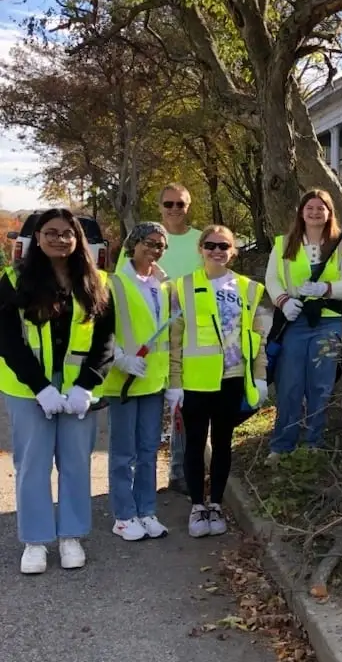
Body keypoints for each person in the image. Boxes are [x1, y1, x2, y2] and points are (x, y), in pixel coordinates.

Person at [0, 208, 114, 574]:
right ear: (37, 238)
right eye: (51, 232)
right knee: (32, 465)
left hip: (77, 393)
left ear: (78, 239)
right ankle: (35, 542)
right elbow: (8, 340)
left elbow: (105, 341)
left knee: (76, 463)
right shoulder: (13, 280)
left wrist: (86, 385)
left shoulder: (97, 282)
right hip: (28, 389)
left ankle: (71, 536)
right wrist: (40, 387)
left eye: (67, 233)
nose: (59, 239)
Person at [168, 225, 268, 537]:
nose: (217, 251)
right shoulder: (181, 287)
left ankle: (216, 504)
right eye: (210, 245)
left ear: (233, 250)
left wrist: (261, 376)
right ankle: (198, 506)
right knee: (195, 444)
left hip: (233, 378)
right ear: (200, 249)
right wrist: (174, 382)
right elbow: (174, 339)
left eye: (223, 245)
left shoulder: (250, 289)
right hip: (196, 381)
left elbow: (258, 337)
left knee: (223, 444)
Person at [118, 183, 203, 496]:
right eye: (169, 204)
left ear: (188, 206)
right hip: (147, 342)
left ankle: (178, 472)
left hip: (189, 335)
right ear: (160, 206)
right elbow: (123, 288)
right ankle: (134, 486)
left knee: (181, 405)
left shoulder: (199, 241)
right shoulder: (142, 240)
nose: (174, 210)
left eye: (180, 204)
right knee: (145, 422)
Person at [264, 189, 342, 464]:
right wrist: (283, 301)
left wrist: (325, 288)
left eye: (321, 208)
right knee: (290, 384)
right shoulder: (283, 244)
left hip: (328, 321)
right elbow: (272, 279)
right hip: (294, 320)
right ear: (301, 212)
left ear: (330, 213)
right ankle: (282, 445)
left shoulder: (341, 247)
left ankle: (314, 443)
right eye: (310, 208)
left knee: (321, 385)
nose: (315, 212)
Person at [104, 222, 172, 542]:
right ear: (134, 244)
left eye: (161, 245)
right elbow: (100, 331)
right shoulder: (114, 283)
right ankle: (123, 515)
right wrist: (122, 359)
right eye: (149, 243)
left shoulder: (161, 284)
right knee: (123, 454)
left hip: (153, 381)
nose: (155, 250)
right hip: (125, 381)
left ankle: (146, 511)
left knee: (148, 451)